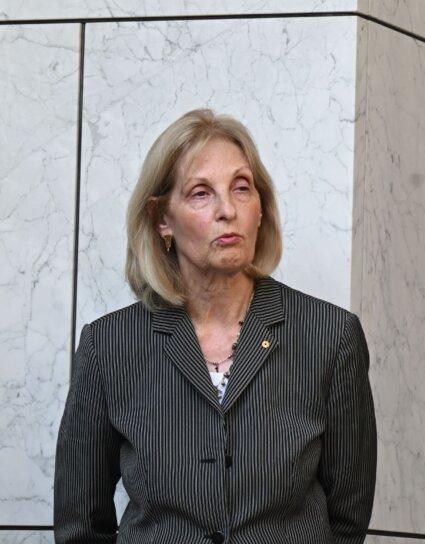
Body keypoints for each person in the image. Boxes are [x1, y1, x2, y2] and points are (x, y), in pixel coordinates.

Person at [54, 109, 376, 543]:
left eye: (242, 188)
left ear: (261, 208)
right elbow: (80, 527)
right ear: (161, 219)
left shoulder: (330, 337)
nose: (228, 210)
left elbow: (347, 522)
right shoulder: (109, 346)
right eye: (201, 193)